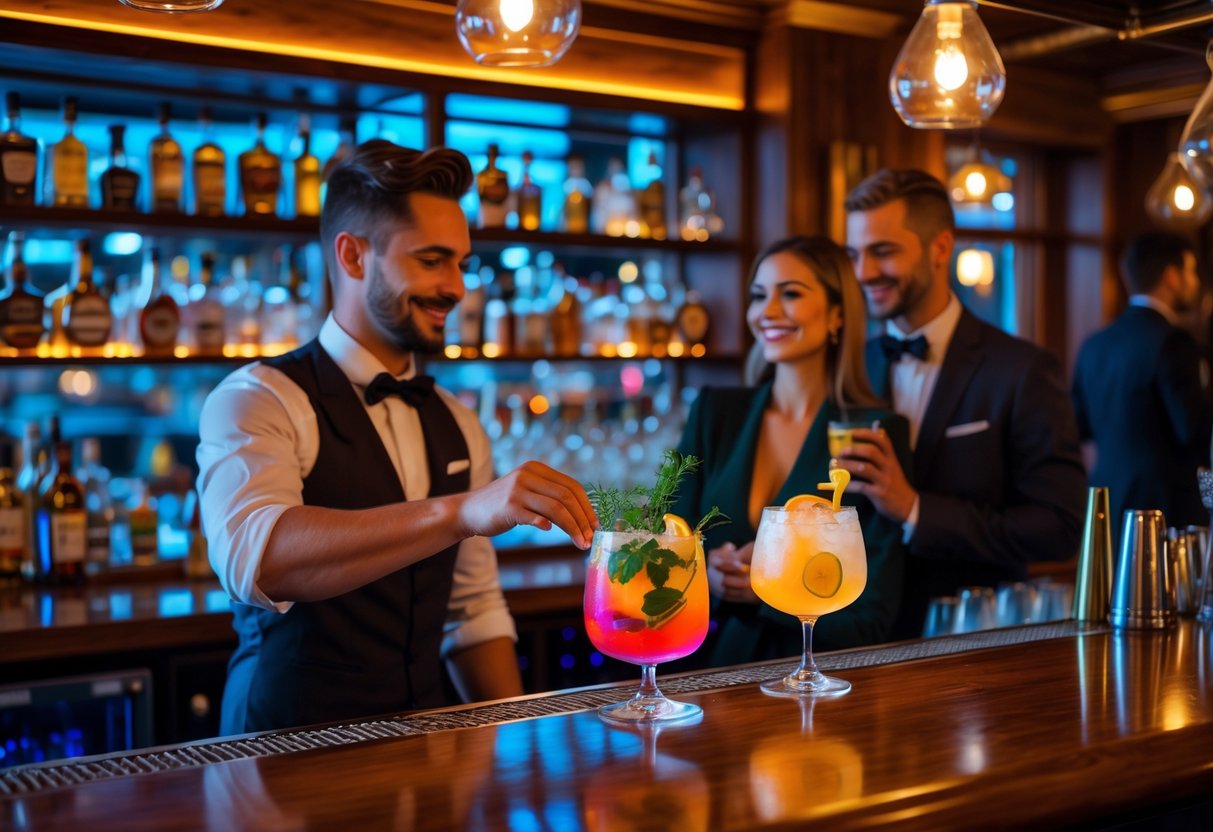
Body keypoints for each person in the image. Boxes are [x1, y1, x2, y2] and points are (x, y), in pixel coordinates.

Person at [197, 140, 597, 735]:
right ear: (354, 257)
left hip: (424, 750)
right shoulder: (257, 397)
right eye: (432, 260)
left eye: (462, 263)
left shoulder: (456, 421)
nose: (457, 287)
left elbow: (472, 611)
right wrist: (460, 511)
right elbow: (258, 560)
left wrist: (509, 737)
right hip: (279, 755)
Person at [839, 168, 1086, 640]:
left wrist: (915, 509)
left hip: (971, 643)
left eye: (883, 251)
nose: (864, 272)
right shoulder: (849, 367)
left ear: (939, 248)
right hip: (853, 642)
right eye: (855, 254)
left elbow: (1059, 526)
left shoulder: (1021, 369)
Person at [671, 235, 910, 665]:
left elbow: (873, 618)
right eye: (758, 296)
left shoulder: (870, 433)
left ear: (838, 314)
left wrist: (768, 594)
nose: (768, 312)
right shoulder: (713, 413)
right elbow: (664, 547)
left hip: (821, 681)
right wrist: (707, 572)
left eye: (791, 294)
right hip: (712, 680)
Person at [1072, 231, 1212, 533]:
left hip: (1105, 500)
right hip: (1163, 508)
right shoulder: (1174, 342)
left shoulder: (1094, 344)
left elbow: (1079, 425)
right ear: (1171, 276)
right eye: (1190, 271)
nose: (1195, 282)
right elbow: (1192, 428)